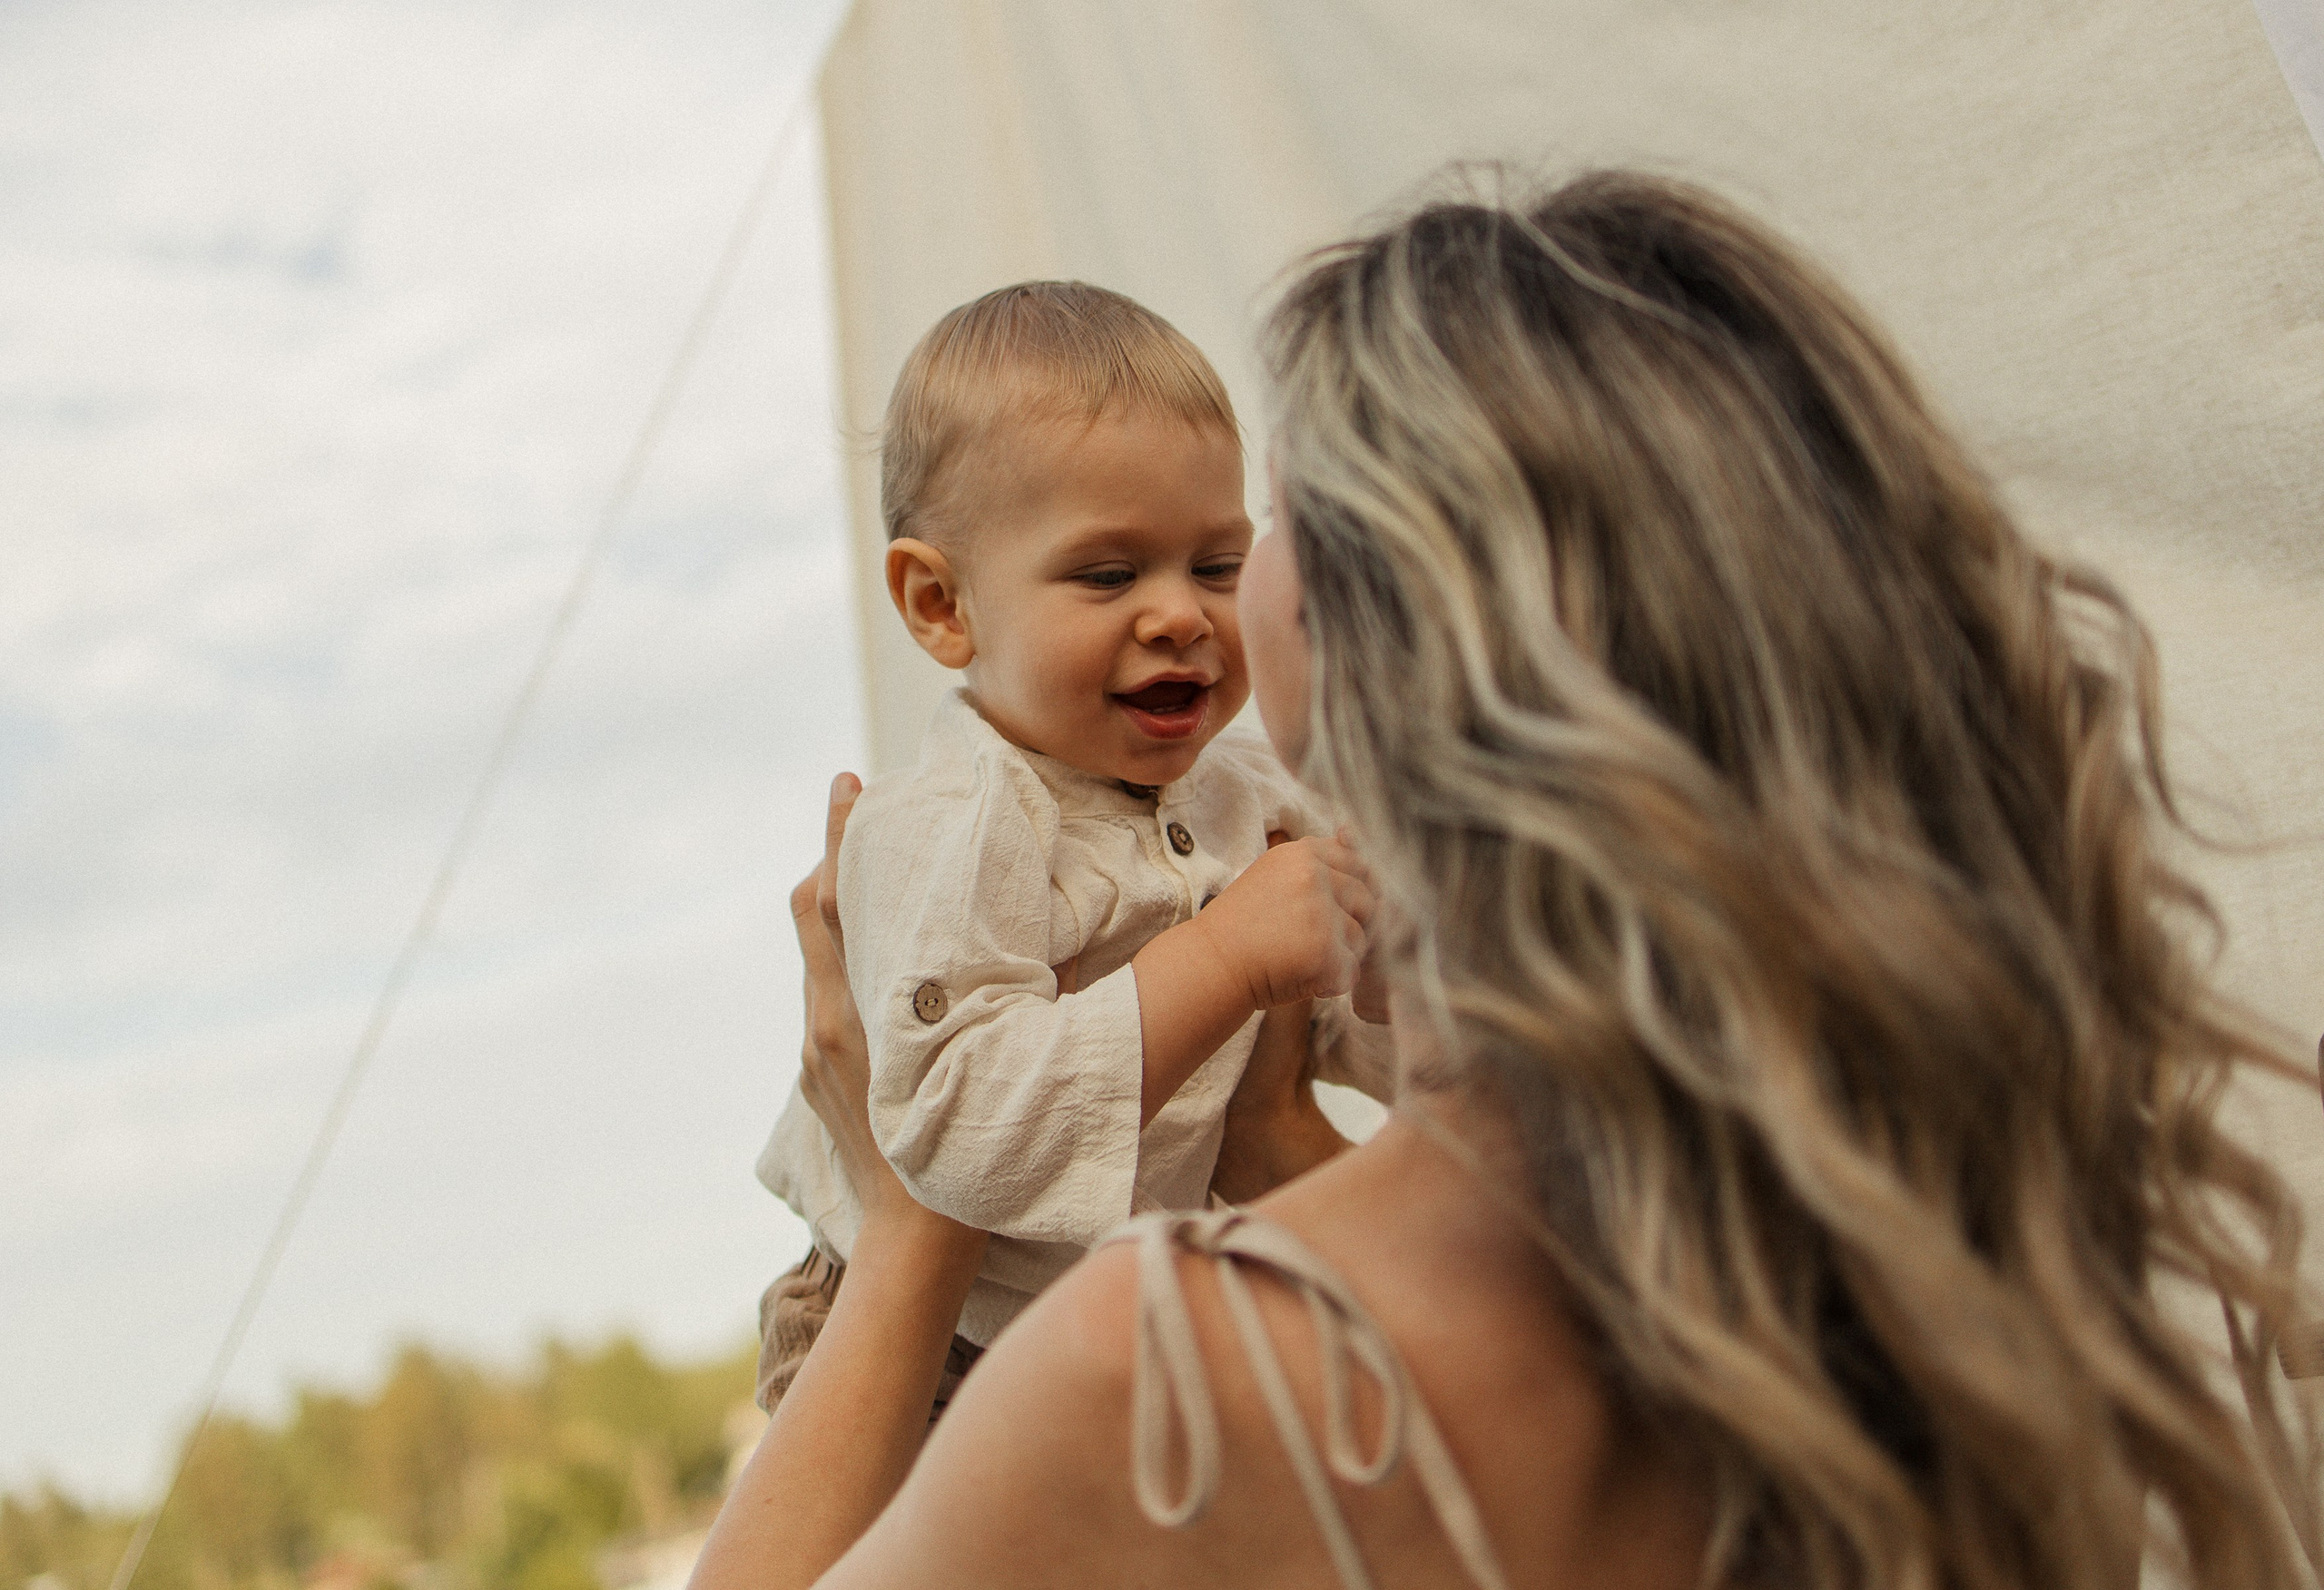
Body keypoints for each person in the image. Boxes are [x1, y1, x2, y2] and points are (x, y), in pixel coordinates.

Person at [696, 172, 2321, 1590]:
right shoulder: (1958, 1307)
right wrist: (1280, 1138)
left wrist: (910, 1236)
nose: (1192, 604)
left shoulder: (1180, 1385)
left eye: (1244, 538)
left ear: (1345, 619)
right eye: (1122, 569)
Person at [750, 281, 1393, 1419]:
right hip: (927, 1341)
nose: (1180, 615)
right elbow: (958, 1140)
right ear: (942, 604)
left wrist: (1392, 988)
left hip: (1123, 1317)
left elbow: (1316, 1030)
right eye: (1109, 574)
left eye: (1215, 566)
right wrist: (1230, 959)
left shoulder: (1250, 790)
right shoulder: (948, 822)